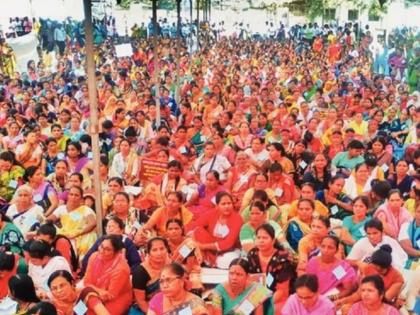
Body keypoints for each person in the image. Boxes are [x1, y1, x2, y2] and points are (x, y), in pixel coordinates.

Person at [187, 191, 243, 268]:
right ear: (217, 206)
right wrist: (193, 240)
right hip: (209, 249)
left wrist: (203, 246)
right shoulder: (212, 213)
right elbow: (194, 225)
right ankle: (179, 259)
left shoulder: (237, 219)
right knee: (197, 232)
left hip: (228, 251)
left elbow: (228, 243)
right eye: (223, 204)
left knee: (230, 261)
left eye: (229, 203)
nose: (227, 206)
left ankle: (207, 261)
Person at [247, 224, 296, 310]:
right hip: (257, 295)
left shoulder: (283, 259)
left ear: (273, 241)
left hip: (279, 298)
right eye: (258, 238)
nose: (261, 241)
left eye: (265, 238)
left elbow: (282, 292)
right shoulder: (252, 254)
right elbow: (249, 281)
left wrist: (263, 304)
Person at [83, 235, 132, 315]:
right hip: (92, 295)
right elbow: (86, 282)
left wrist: (91, 291)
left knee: (91, 312)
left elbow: (110, 295)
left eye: (107, 249)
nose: (101, 251)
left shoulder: (121, 269)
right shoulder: (94, 256)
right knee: (78, 310)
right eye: (101, 246)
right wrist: (97, 291)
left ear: (116, 253)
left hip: (116, 299)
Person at [47, 186, 97, 259]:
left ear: (81, 198)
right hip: (66, 236)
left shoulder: (86, 209)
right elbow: (49, 220)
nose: (73, 197)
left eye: (76, 195)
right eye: (71, 194)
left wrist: (77, 233)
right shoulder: (62, 209)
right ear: (68, 196)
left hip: (82, 236)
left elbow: (92, 224)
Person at [131, 237, 171, 315]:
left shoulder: (171, 265)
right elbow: (141, 301)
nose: (159, 253)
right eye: (154, 250)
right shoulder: (140, 272)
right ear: (148, 253)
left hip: (170, 303)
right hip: (145, 307)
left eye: (162, 248)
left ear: (167, 250)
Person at [165, 219, 203, 293]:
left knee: (195, 282)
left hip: (189, 269)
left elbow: (189, 268)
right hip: (169, 268)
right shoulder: (165, 243)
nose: (173, 231)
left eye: (176, 228)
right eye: (170, 229)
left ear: (181, 229)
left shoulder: (188, 244)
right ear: (166, 231)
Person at [398, 203, 420, 268]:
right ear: (414, 212)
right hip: (405, 260)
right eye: (419, 212)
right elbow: (405, 247)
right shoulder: (405, 226)